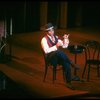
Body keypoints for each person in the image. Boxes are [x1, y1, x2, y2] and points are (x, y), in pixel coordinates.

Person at [41, 23, 79, 90]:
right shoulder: (44, 39)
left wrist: (65, 39)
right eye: (50, 31)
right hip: (50, 59)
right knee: (58, 51)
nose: (52, 32)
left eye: (52, 30)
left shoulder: (56, 37)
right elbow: (46, 51)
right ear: (47, 32)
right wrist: (56, 46)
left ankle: (68, 82)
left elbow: (65, 46)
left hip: (57, 57)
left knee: (66, 63)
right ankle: (71, 62)